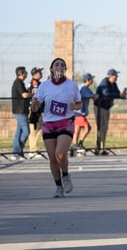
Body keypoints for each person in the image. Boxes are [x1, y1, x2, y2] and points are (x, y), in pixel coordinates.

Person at [31, 58, 82, 198]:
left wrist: (75, 106)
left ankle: (65, 175)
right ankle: (59, 187)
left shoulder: (72, 85)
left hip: (66, 122)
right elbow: (35, 105)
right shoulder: (44, 86)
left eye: (62, 65)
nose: (59, 67)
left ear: (64, 69)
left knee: (60, 154)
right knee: (52, 158)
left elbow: (79, 103)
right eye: (56, 65)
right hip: (48, 124)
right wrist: (34, 105)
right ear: (52, 69)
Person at [94, 68, 127, 155]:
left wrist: (122, 95)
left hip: (107, 108)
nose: (117, 77)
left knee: (105, 127)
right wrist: (118, 95)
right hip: (100, 107)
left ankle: (102, 147)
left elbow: (117, 94)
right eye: (115, 75)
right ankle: (98, 148)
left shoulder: (114, 84)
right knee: (100, 127)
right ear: (111, 76)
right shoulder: (104, 82)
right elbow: (106, 93)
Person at [71, 73, 96, 155]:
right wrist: (96, 96)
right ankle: (77, 144)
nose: (92, 81)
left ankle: (75, 145)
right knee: (87, 128)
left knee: (77, 128)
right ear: (88, 80)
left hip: (77, 112)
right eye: (91, 79)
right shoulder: (84, 88)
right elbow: (93, 96)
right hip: (79, 112)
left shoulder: (81, 86)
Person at [11, 66, 32, 161]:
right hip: (19, 111)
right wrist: (33, 94)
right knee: (27, 131)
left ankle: (17, 152)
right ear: (21, 74)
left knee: (18, 132)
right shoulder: (18, 82)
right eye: (25, 73)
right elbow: (24, 95)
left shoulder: (20, 83)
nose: (27, 75)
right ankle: (17, 151)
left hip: (22, 110)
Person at [27, 67, 44, 159]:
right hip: (34, 108)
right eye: (39, 72)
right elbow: (36, 96)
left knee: (40, 128)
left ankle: (34, 149)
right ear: (35, 74)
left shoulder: (38, 83)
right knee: (34, 129)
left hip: (38, 108)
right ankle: (32, 150)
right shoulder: (34, 84)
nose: (41, 73)